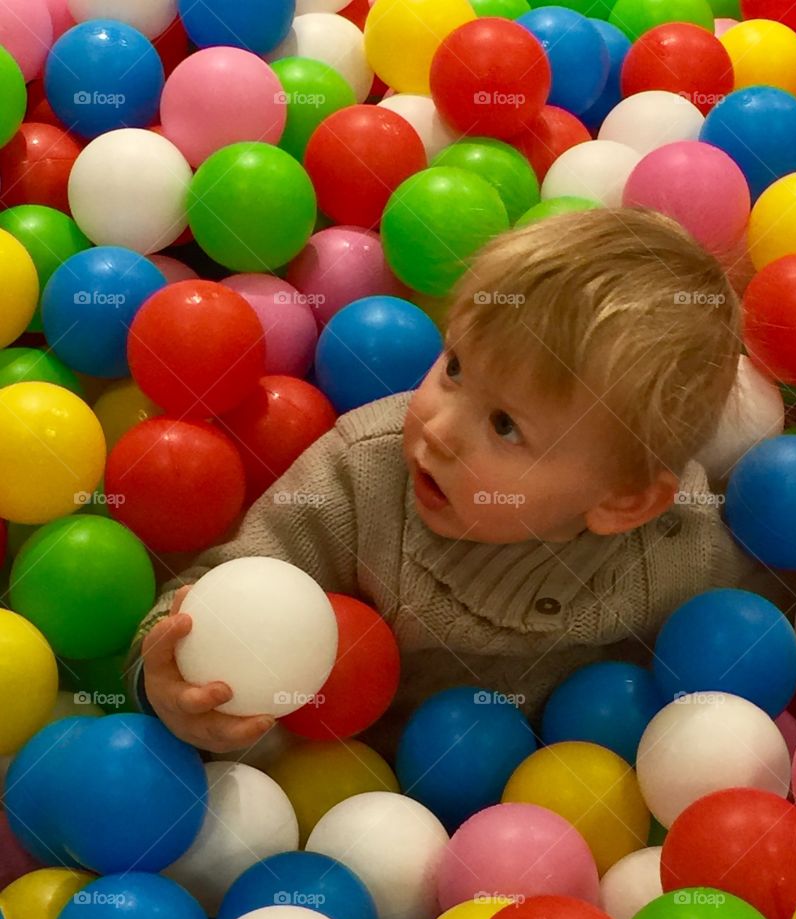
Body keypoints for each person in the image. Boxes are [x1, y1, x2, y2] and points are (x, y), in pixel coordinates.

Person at [130, 207, 758, 758]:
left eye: (505, 425)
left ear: (623, 502)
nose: (438, 429)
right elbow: (215, 592)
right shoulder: (359, 477)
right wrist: (171, 680)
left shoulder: (676, 552)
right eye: (455, 367)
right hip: (330, 769)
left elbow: (747, 641)